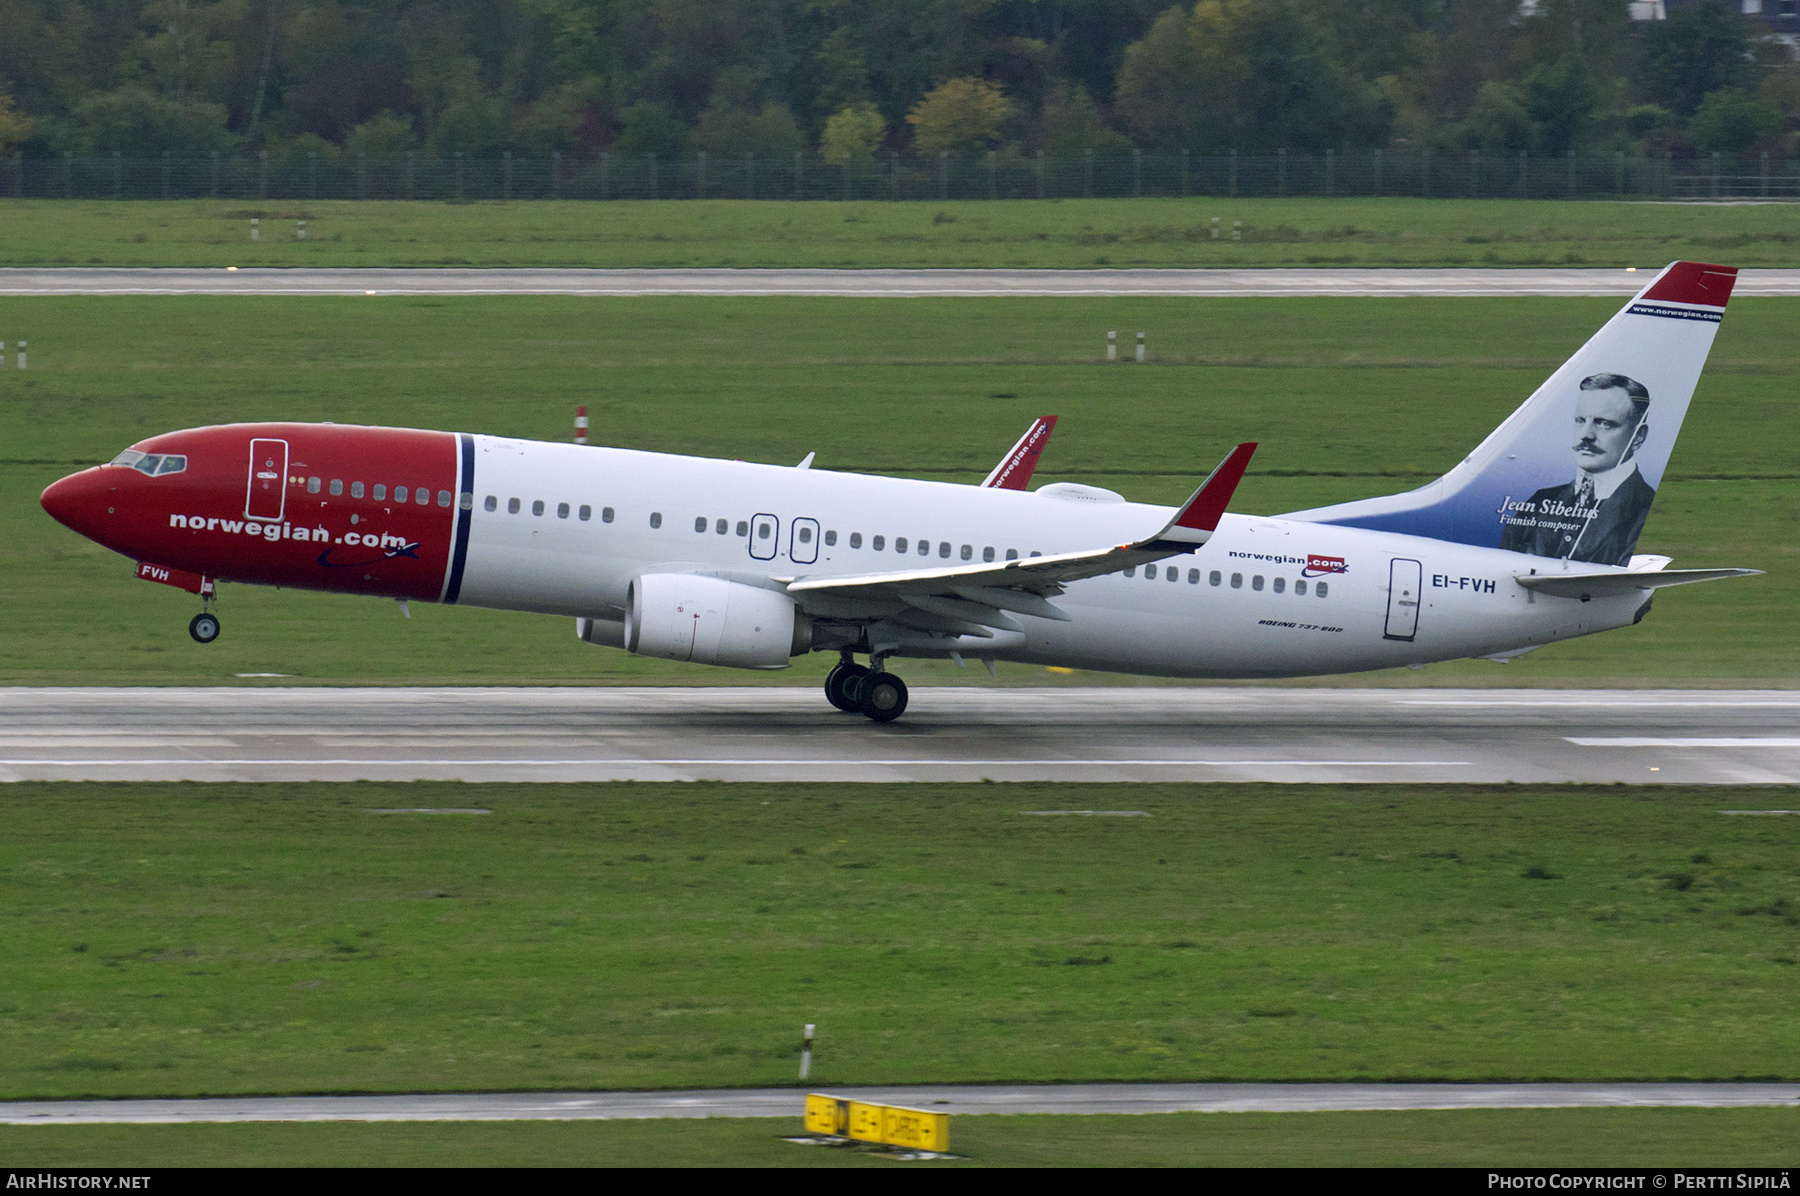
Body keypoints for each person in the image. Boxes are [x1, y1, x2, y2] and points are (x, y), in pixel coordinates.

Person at [1498, 373, 1656, 567]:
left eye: (1604, 423)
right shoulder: (1539, 502)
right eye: (1580, 420)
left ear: (1638, 436)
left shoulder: (1645, 510)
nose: (1585, 435)